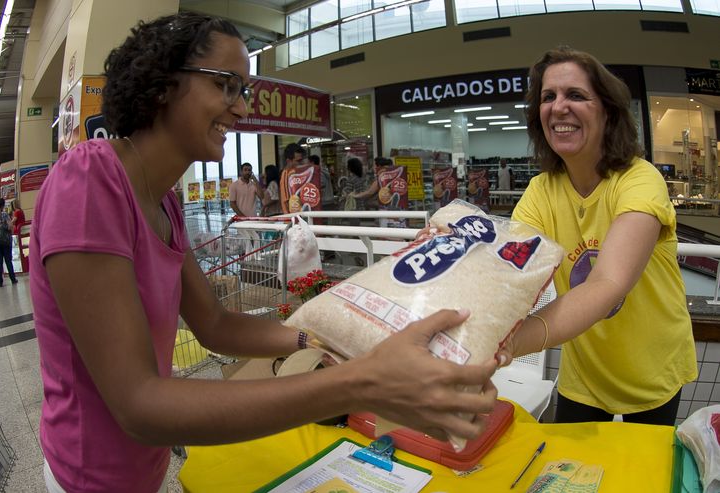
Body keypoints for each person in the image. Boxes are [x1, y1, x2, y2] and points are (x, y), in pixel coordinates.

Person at [29, 13, 499, 492]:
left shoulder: (164, 201)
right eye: (227, 85)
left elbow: (214, 324)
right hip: (86, 478)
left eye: (244, 90)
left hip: (143, 474)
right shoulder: (88, 182)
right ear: (164, 83)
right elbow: (138, 405)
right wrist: (361, 382)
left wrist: (321, 339)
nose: (240, 108)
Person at [499, 46, 697, 425]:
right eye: (547, 96)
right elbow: (508, 267)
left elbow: (607, 283)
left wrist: (507, 346)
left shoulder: (640, 180)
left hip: (651, 369)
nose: (558, 107)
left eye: (575, 95)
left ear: (607, 111)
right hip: (585, 373)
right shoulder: (542, 190)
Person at [351, 157, 407, 228]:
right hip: (400, 208)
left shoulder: (382, 177)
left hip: (385, 209)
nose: (373, 168)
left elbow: (370, 192)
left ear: (379, 166)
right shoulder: (398, 174)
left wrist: (356, 196)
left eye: (374, 166)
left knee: (385, 230)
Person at [279, 142, 307, 214]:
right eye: (298, 161)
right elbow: (287, 201)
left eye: (302, 160)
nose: (302, 163)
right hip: (293, 220)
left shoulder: (299, 173)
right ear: (289, 161)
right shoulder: (286, 175)